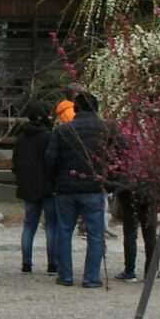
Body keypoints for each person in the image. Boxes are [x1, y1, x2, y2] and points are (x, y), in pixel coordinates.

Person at [44, 89, 120, 289]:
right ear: (96, 108)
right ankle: (91, 277)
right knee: (95, 234)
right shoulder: (107, 129)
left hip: (66, 186)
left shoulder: (62, 130)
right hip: (94, 186)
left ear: (76, 108)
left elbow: (50, 159)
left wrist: (58, 178)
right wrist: (111, 179)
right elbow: (120, 154)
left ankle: (66, 275)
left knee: (64, 231)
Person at [10, 100, 61, 276]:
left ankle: (26, 263)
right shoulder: (49, 136)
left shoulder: (21, 138)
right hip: (48, 185)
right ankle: (52, 264)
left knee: (29, 225)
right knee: (51, 225)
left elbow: (15, 162)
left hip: (28, 185)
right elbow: (53, 161)